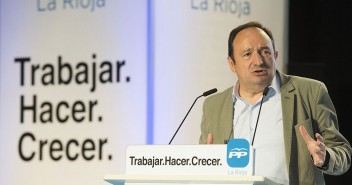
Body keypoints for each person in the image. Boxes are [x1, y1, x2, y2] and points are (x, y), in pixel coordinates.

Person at [199, 21, 351, 185]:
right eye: (247, 54)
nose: (258, 61)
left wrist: (325, 157)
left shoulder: (310, 92)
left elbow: (342, 152)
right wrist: (207, 163)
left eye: (265, 52)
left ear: (275, 55)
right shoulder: (213, 105)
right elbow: (204, 162)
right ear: (232, 63)